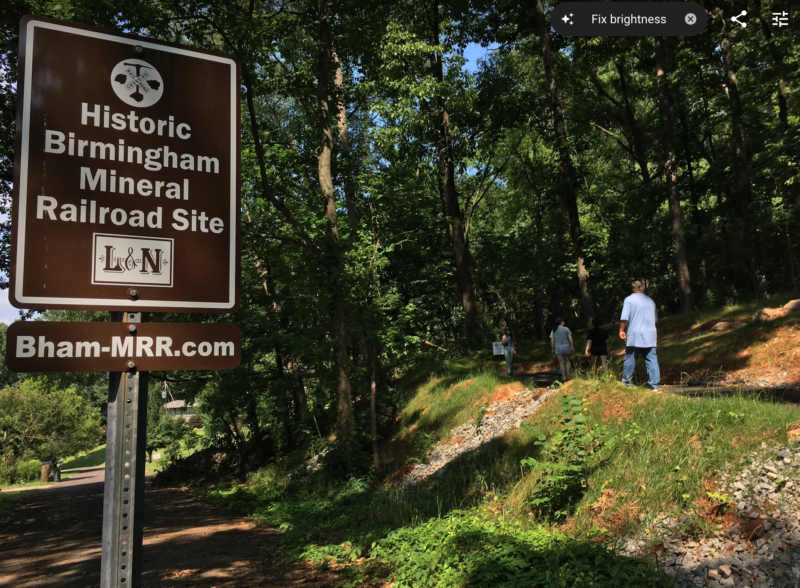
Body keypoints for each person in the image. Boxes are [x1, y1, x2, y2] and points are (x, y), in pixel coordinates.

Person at [619, 280, 660, 391]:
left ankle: (627, 383)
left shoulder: (628, 300)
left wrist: (621, 330)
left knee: (630, 358)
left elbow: (624, 318)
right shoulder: (650, 301)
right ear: (642, 288)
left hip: (634, 335)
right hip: (650, 335)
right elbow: (655, 319)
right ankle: (654, 386)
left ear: (632, 290)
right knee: (652, 359)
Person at [550, 318, 574, 382]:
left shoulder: (553, 330)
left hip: (558, 347)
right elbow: (570, 338)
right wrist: (572, 346)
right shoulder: (566, 329)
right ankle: (568, 374)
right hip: (566, 346)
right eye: (563, 321)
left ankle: (563, 376)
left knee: (561, 362)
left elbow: (552, 340)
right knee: (567, 361)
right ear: (561, 322)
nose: (564, 322)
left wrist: (552, 349)